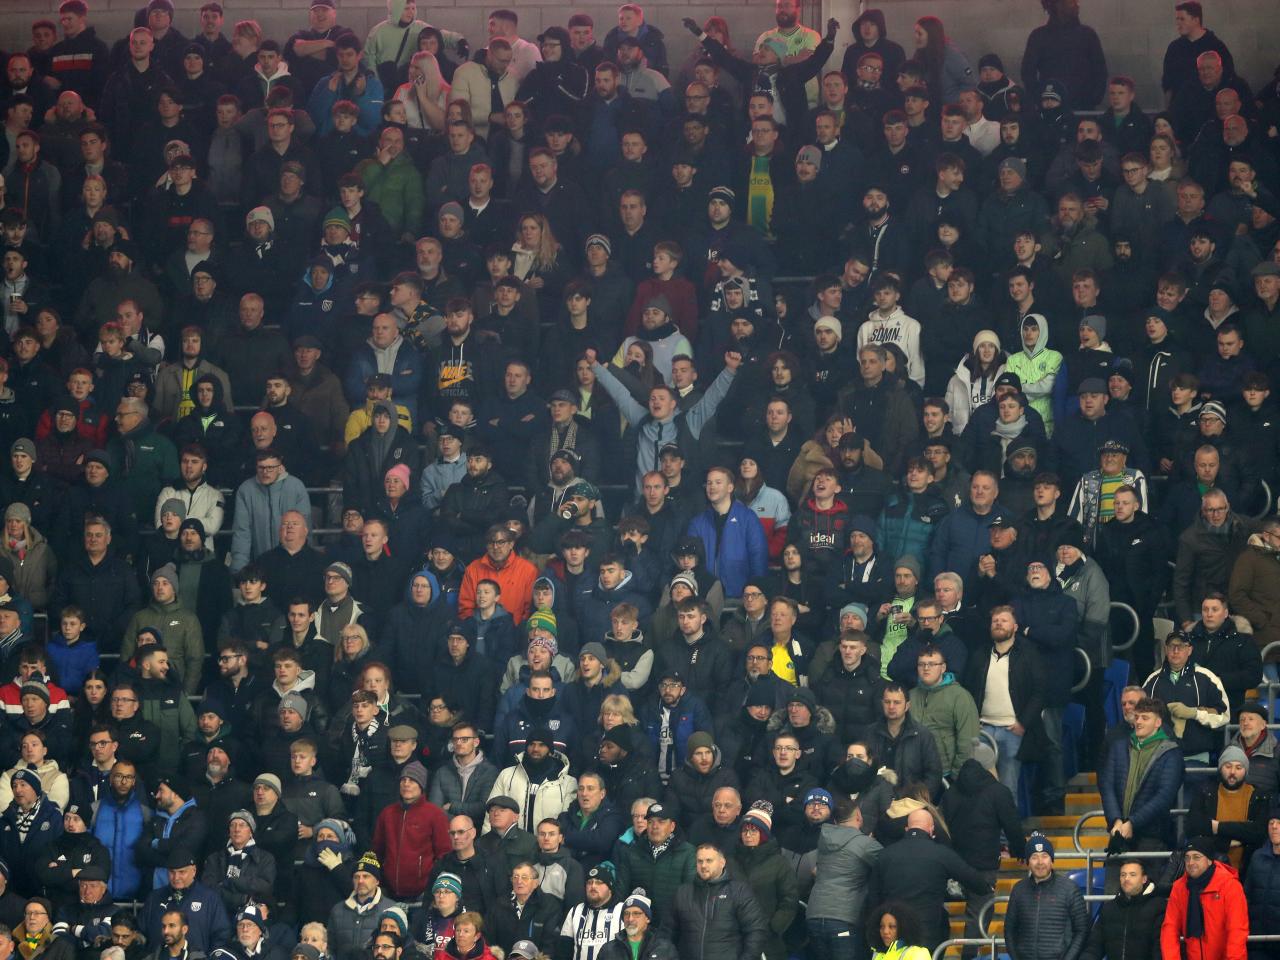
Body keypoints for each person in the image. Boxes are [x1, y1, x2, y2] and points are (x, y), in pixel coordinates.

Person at [1161, 836, 1249, 960]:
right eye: (1187, 858)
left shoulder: (1230, 886)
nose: (1190, 862)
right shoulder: (1179, 887)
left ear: (1209, 860)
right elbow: (1170, 928)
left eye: (1196, 857)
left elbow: (1237, 931)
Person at [1004, 833, 1090, 958]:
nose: (1040, 862)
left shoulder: (1069, 889)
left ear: (1052, 860)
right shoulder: (1018, 889)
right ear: (1028, 861)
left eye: (1044, 856)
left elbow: (1082, 931)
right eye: (1034, 857)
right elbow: (1009, 930)